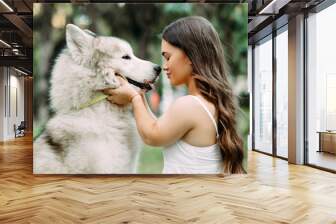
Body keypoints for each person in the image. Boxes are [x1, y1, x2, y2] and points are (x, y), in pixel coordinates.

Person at [104, 16, 245, 174]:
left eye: (168, 57)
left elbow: (152, 135)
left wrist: (134, 98)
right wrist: (139, 95)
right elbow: (158, 127)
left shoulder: (189, 105)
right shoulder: (206, 102)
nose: (164, 66)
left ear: (191, 56)